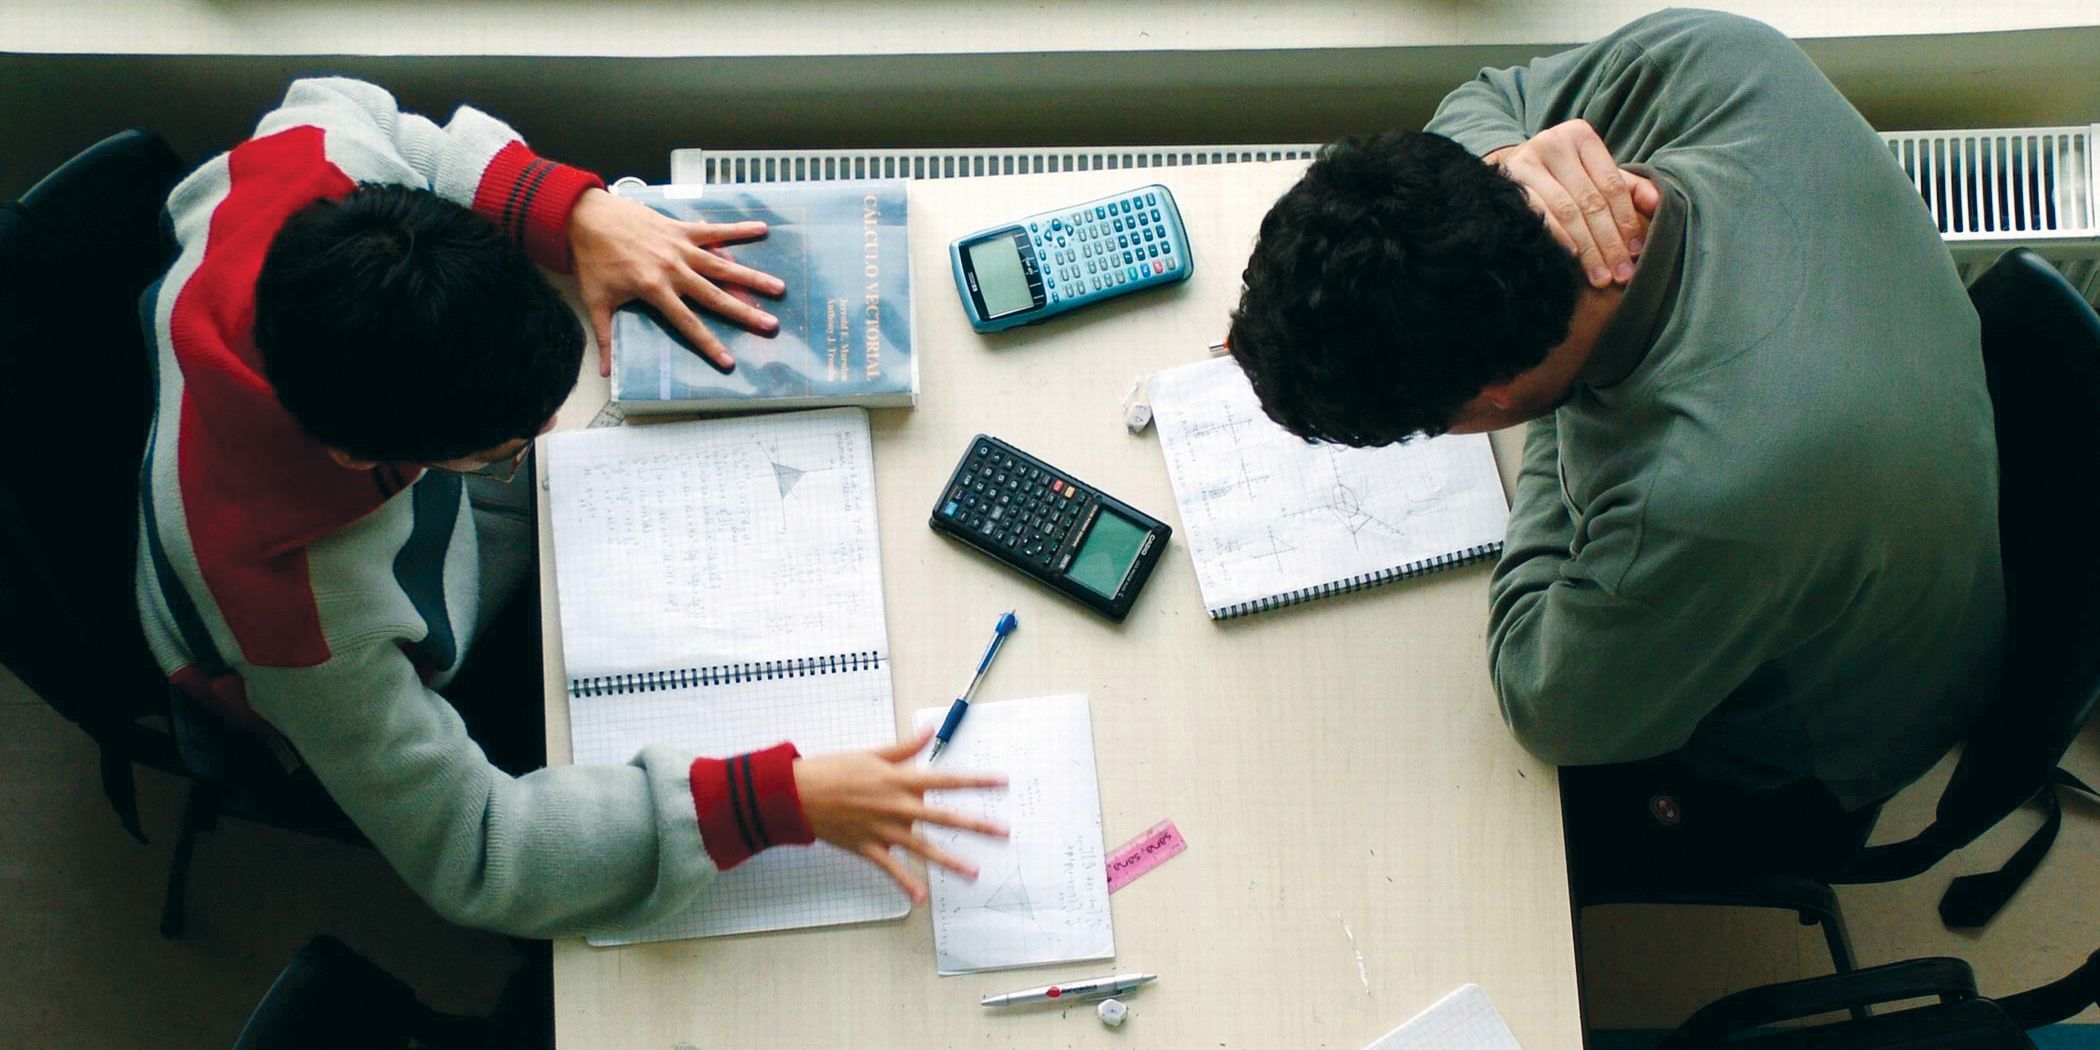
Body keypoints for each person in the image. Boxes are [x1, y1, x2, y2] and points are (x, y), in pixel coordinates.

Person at [134, 77, 1002, 937]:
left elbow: (353, 101)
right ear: (363, 456)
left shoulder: (315, 164)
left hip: (433, 522)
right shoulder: (300, 621)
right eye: (509, 442)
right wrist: (770, 801)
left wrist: (575, 217)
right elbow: (476, 852)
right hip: (349, 651)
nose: (550, 427)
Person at [1227, 11, 2003, 878]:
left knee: (1467, 833)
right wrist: (1503, 170)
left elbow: (1547, 701)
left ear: (1492, 400)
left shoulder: (1699, 497)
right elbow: (1488, 98)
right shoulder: (1719, 59)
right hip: (1893, 505)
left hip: (1828, 730)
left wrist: (1561, 421)